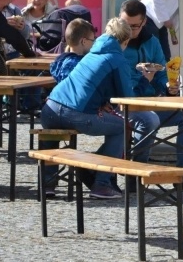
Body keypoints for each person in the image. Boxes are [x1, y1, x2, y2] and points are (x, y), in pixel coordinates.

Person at [40, 18, 132, 199]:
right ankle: (101, 182)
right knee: (122, 127)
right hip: (75, 113)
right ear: (126, 41)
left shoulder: (91, 53)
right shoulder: (117, 58)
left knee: (51, 133)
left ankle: (48, 184)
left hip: (49, 108)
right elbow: (127, 97)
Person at [119, 0, 183, 192]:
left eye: (135, 26)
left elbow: (161, 73)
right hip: (121, 105)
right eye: (125, 24)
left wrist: (168, 86)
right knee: (149, 120)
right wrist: (144, 81)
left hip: (149, 102)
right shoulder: (114, 43)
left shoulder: (152, 41)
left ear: (144, 23)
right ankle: (137, 173)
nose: (130, 30)